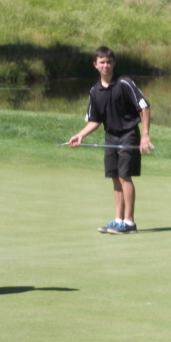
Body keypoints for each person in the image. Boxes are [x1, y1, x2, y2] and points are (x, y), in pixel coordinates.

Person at [68, 47, 153, 234]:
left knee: (124, 176)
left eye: (108, 62)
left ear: (113, 63)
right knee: (115, 176)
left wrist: (145, 135)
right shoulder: (95, 91)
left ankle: (129, 223)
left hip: (129, 134)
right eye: (102, 62)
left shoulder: (124, 83)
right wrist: (80, 135)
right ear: (95, 65)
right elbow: (95, 120)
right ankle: (118, 220)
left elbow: (144, 106)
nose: (105, 65)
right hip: (111, 136)